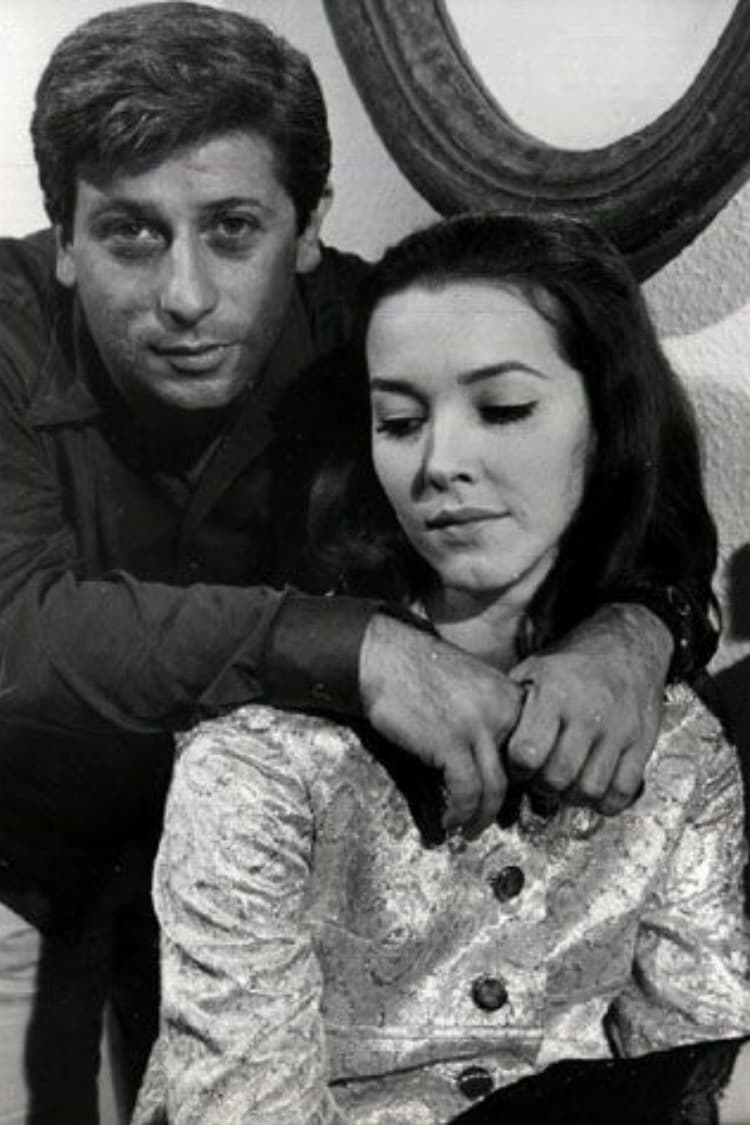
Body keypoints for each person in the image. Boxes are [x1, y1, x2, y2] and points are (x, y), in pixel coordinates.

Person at [0, 2, 716, 1120]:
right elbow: (16, 628)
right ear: (62, 237)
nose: (185, 296)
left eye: (233, 229)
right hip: (27, 858)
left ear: (309, 228)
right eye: (130, 233)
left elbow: (628, 485)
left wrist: (632, 630)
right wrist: (362, 648)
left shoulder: (380, 337)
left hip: (286, 878)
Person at [134, 213, 749, 1125]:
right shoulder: (263, 756)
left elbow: (702, 1070)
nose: (440, 464)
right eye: (400, 420)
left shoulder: (679, 742)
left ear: (608, 421)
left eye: (503, 409)